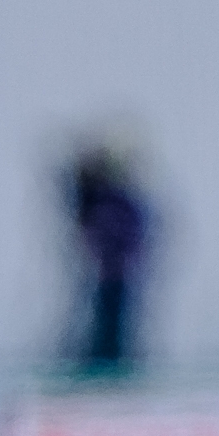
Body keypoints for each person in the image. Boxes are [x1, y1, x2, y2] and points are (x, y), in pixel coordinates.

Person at [66, 142, 151, 374]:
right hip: (110, 273)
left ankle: (109, 360)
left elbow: (121, 235)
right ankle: (105, 359)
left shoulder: (111, 203)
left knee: (111, 318)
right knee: (106, 317)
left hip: (114, 273)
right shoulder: (107, 202)